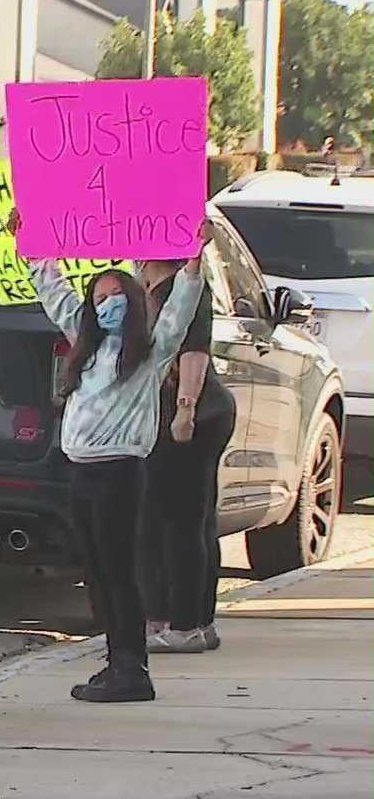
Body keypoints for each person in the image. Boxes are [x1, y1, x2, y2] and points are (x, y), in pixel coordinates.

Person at [11, 210, 209, 703]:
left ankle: (132, 668)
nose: (109, 306)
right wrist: (31, 243)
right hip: (81, 471)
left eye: (118, 297)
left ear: (136, 303)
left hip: (120, 472)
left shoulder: (148, 353)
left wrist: (191, 263)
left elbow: (181, 313)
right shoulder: (88, 348)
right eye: (100, 299)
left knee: (119, 570)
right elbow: (53, 294)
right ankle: (115, 658)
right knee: (96, 571)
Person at [138, 250, 236, 655]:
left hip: (188, 414)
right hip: (187, 413)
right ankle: (197, 620)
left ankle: (179, 624)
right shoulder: (146, 288)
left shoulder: (184, 289)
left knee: (174, 521)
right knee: (189, 519)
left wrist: (184, 408)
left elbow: (194, 351)